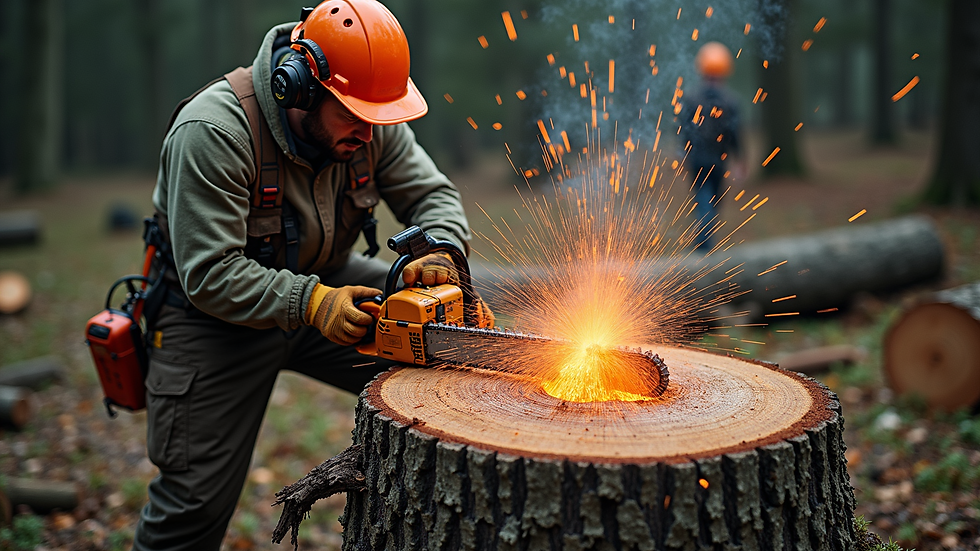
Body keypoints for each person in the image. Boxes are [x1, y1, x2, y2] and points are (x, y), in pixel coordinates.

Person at [133, 1, 476, 549]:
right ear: (302, 88)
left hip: (328, 280)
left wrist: (438, 251)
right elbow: (210, 273)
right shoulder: (214, 131)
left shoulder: (368, 116)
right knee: (191, 507)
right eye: (356, 118)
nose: (369, 135)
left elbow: (432, 194)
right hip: (212, 320)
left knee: (452, 362)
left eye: (377, 119)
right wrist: (313, 305)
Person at [680, 41, 746, 251]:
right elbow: (734, 134)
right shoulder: (731, 101)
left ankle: (703, 238)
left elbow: (685, 130)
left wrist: (684, 152)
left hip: (698, 158)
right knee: (711, 200)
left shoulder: (691, 99)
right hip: (718, 160)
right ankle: (704, 244)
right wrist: (740, 159)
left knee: (704, 198)